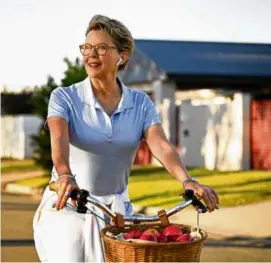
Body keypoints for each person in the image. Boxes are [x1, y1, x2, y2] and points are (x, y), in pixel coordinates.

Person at [33, 14, 219, 262]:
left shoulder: (140, 102)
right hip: (68, 205)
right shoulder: (65, 97)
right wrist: (65, 173)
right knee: (69, 251)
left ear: (122, 55)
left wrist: (188, 181)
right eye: (86, 48)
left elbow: (161, 145)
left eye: (101, 48)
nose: (91, 55)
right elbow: (59, 140)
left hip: (116, 211)